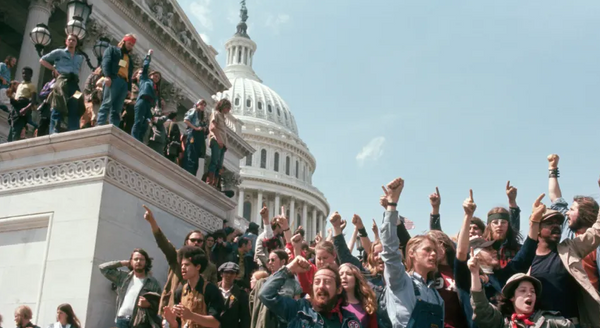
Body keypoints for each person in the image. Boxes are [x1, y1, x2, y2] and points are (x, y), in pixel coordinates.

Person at [380, 177, 444, 328]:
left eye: (435, 251)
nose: (433, 254)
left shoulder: (437, 297)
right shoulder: (400, 280)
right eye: (427, 250)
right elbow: (389, 249)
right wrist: (392, 204)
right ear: (411, 253)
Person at [530, 198, 600, 328]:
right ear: (537, 228)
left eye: (558, 223)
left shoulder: (570, 248)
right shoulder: (527, 258)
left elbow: (596, 232)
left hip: (572, 324)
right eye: (550, 222)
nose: (556, 226)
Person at [141, 205, 217, 314]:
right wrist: (152, 222)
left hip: (195, 312)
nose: (196, 242)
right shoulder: (176, 256)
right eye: (193, 240)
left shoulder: (209, 266)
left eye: (200, 241)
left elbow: (213, 291)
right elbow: (163, 242)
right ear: (187, 242)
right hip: (171, 308)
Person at [259, 257, 362, 328]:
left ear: (339, 289)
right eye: (317, 282)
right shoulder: (298, 310)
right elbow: (265, 294)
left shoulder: (348, 320)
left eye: (327, 282)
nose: (321, 286)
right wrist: (289, 269)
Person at [547, 154, 600, 291]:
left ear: (584, 214)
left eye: (571, 209)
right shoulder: (567, 229)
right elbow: (555, 197)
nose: (566, 213)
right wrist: (552, 169)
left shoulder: (596, 243)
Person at [470, 261, 575, 328]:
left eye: (532, 291)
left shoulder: (551, 322)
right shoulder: (503, 324)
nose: (529, 294)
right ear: (512, 297)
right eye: (523, 290)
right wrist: (475, 274)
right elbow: (480, 307)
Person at [99, 248, 162, 328]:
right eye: (136, 259)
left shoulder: (153, 283)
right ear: (131, 262)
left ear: (146, 262)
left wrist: (149, 305)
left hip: (139, 322)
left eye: (141, 259)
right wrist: (124, 263)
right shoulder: (123, 277)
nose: (138, 261)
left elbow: (160, 305)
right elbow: (103, 268)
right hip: (121, 320)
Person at [163, 246, 224, 328]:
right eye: (182, 265)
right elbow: (178, 324)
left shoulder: (211, 290)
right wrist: (171, 321)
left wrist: (191, 315)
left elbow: (216, 323)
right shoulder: (179, 291)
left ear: (198, 267)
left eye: (187, 264)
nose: (183, 268)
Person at [39, 34, 84, 133]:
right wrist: (53, 69)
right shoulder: (59, 52)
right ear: (66, 42)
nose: (71, 41)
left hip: (74, 83)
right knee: (58, 102)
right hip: (62, 80)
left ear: (76, 43)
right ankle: (54, 129)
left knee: (77, 101)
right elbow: (42, 60)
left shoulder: (79, 58)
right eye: (70, 40)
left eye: (74, 40)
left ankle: (74, 129)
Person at [97, 34, 136, 127]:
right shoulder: (112, 50)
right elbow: (106, 62)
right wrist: (107, 76)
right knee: (107, 103)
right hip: (114, 79)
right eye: (129, 43)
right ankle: (100, 124)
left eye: (132, 45)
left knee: (117, 109)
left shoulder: (129, 58)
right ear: (124, 41)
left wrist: (129, 89)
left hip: (124, 83)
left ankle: (114, 127)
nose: (130, 46)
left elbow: (129, 74)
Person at [131, 49, 161, 142]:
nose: (156, 78)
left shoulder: (156, 89)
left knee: (145, 124)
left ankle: (139, 140)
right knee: (138, 121)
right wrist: (148, 56)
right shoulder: (145, 79)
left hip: (150, 106)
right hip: (142, 101)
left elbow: (156, 102)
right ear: (150, 75)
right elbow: (145, 66)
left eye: (158, 78)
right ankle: (134, 138)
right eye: (155, 76)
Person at [339, 263, 378, 328]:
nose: (344, 277)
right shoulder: (334, 303)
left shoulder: (367, 304)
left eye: (349, 274)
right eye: (340, 274)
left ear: (356, 279)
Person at [206, 99, 231, 187]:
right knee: (214, 161)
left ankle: (215, 183)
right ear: (223, 106)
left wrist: (225, 144)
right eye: (227, 108)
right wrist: (219, 140)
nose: (228, 110)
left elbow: (223, 132)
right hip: (216, 141)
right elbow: (212, 127)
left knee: (219, 165)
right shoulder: (216, 113)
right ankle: (210, 180)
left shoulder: (223, 117)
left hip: (222, 144)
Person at [218, 262, 251, 328]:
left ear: (236, 276)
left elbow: (245, 318)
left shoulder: (241, 294)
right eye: (226, 272)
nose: (229, 275)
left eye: (232, 273)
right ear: (221, 274)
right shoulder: (213, 290)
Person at [7, 67, 36, 142]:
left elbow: (33, 101)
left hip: (22, 106)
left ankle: (12, 145)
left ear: (31, 75)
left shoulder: (31, 86)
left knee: (17, 129)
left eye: (26, 73)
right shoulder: (19, 85)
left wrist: (25, 109)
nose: (24, 75)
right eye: (23, 73)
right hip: (15, 107)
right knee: (12, 127)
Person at [182, 99, 209, 177]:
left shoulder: (202, 115)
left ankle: (193, 173)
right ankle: (188, 172)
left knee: (197, 156)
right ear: (197, 104)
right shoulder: (193, 111)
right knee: (191, 154)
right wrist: (195, 128)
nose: (203, 107)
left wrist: (204, 129)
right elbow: (186, 120)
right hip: (192, 134)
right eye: (201, 104)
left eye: (204, 105)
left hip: (199, 136)